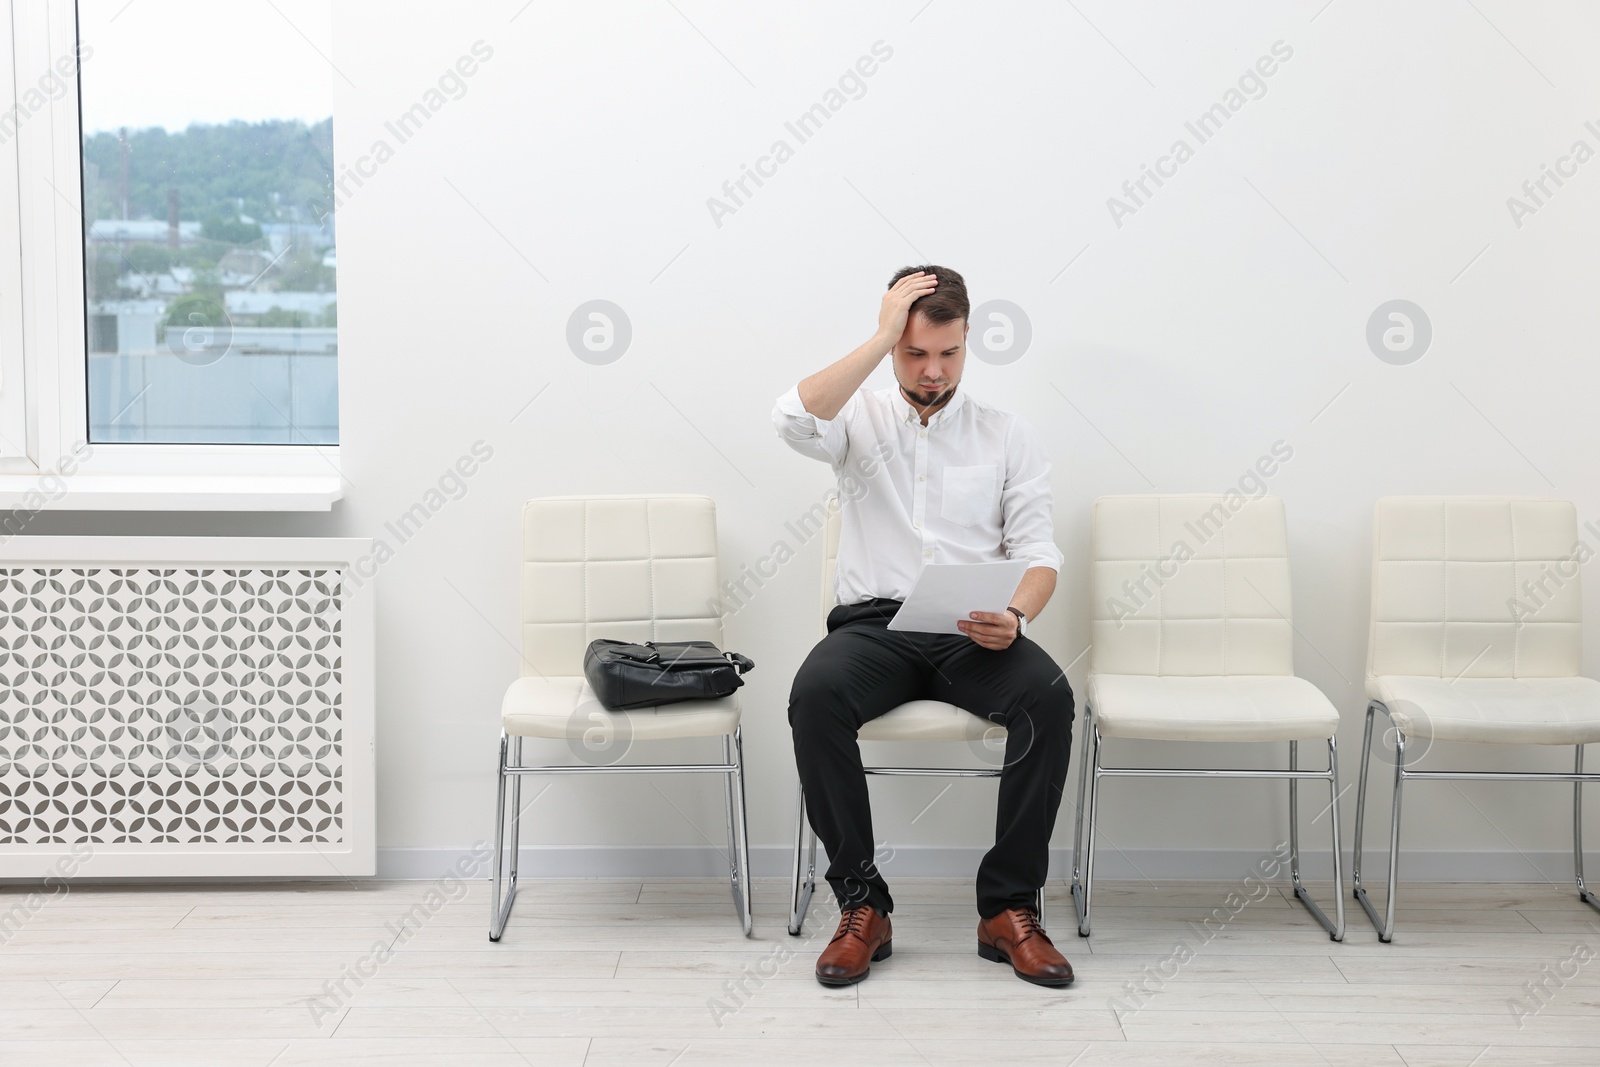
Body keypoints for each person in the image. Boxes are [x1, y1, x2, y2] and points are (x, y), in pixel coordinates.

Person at [770, 265, 1076, 988]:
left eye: (949, 353)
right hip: (873, 629)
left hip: (973, 625)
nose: (933, 371)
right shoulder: (856, 418)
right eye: (915, 353)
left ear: (968, 342)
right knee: (815, 694)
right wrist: (880, 335)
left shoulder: (1007, 434)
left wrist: (1018, 613)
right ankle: (862, 906)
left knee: (1050, 697)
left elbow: (1040, 552)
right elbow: (788, 417)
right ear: (894, 346)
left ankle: (1007, 908)